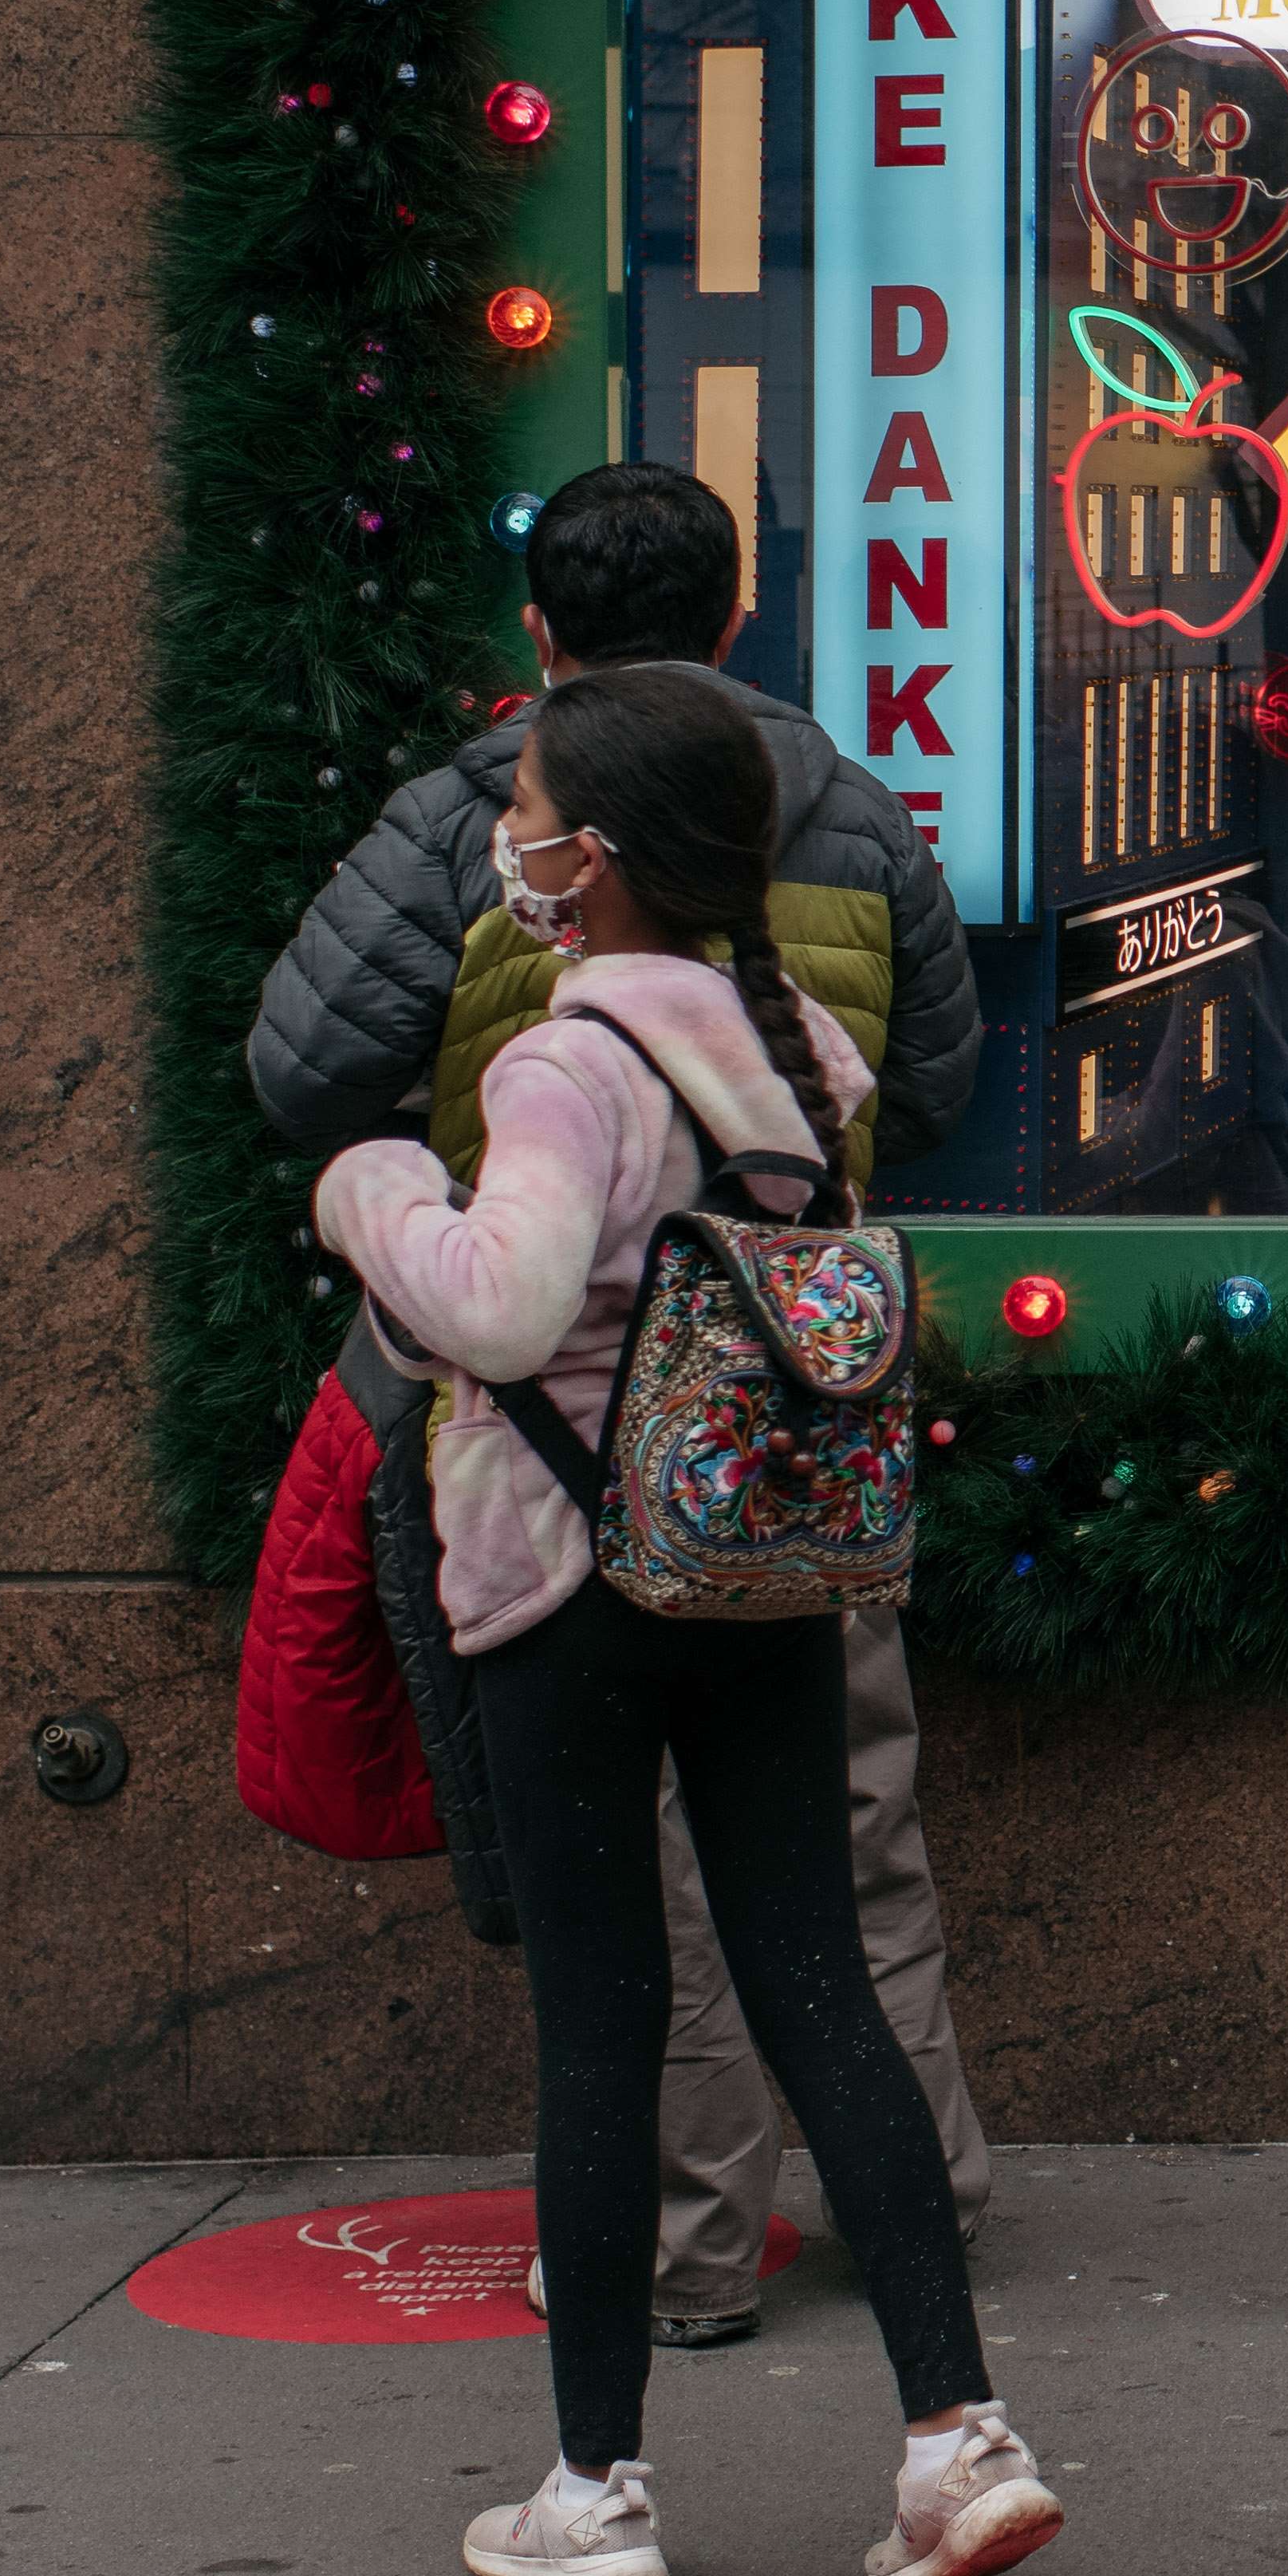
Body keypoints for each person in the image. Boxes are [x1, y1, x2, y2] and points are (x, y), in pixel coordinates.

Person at [312, 665, 1058, 2576]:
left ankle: (595, 2489)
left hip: (568, 1586)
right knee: (819, 1984)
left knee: (604, 2023)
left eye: (537, 808)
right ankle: (954, 2441)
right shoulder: (796, 1040)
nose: (516, 839)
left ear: (600, 859)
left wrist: (376, 1186)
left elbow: (502, 1299)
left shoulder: (567, 1059)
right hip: (765, 1570)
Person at [246, 464, 992, 2347]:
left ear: (542, 642)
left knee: (644, 1878)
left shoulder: (475, 832)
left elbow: (302, 1064)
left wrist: (393, 1189)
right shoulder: (842, 806)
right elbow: (952, 1077)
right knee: (856, 1824)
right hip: (801, 1394)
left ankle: (680, 2246)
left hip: (573, 1423)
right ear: (739, 619)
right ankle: (928, 2200)